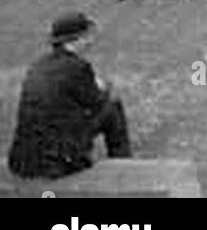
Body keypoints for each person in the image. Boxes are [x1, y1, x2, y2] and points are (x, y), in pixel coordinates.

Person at [8, 12, 131, 180]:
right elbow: (96, 103)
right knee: (113, 108)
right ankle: (123, 169)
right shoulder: (78, 67)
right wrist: (104, 87)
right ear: (77, 39)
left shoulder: (38, 65)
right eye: (88, 36)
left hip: (23, 160)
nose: (91, 41)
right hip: (59, 163)